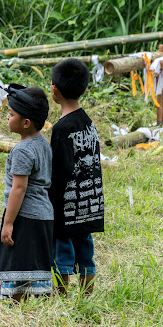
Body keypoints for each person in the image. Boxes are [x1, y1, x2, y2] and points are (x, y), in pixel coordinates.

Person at [49, 58, 105, 295]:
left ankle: (60, 295)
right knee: (85, 250)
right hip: (90, 200)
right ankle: (87, 294)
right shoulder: (87, 121)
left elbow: (60, 170)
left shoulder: (62, 129)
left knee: (62, 250)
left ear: (54, 90)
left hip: (69, 204)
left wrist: (50, 199)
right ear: (83, 89)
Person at [0, 84, 54, 304]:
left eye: (11, 115)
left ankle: (17, 305)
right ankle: (31, 305)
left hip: (25, 217)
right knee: (34, 262)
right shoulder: (43, 145)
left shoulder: (22, 151)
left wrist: (8, 223)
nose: (7, 118)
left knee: (17, 264)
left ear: (26, 123)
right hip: (44, 215)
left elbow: (19, 189)